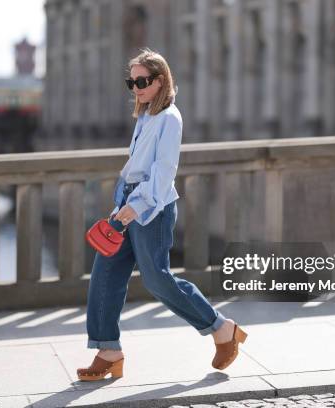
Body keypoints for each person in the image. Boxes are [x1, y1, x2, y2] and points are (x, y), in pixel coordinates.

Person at [76, 48, 248, 382]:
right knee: (105, 272)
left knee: (157, 279)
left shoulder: (170, 118)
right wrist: (120, 204)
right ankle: (108, 350)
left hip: (152, 208)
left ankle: (222, 328)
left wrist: (134, 208)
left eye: (142, 81)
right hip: (128, 201)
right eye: (131, 81)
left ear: (160, 80)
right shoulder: (145, 117)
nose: (136, 87)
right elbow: (135, 167)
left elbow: (163, 171)